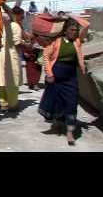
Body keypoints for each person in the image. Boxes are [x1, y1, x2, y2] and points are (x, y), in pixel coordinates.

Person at [39, 17, 89, 146]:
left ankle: (70, 132)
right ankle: (58, 123)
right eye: (72, 30)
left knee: (71, 103)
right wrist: (49, 73)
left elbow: (86, 24)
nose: (74, 32)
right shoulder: (56, 41)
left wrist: (71, 16)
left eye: (76, 30)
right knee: (57, 102)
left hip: (70, 76)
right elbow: (46, 56)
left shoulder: (77, 41)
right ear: (65, 31)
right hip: (56, 75)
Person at [0, 5, 32, 116]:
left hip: (1, 54)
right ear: (17, 15)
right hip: (11, 55)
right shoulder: (15, 26)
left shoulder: (3, 25)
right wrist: (27, 45)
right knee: (12, 81)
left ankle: (3, 104)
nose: (23, 18)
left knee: (2, 80)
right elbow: (17, 42)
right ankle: (12, 104)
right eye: (22, 16)